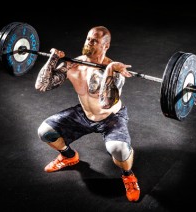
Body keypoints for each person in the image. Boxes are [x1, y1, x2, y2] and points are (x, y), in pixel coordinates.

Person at [35, 26, 140, 202]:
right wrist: (52, 60)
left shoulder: (114, 70)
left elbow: (106, 103)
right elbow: (42, 85)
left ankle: (128, 175)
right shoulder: (73, 64)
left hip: (110, 117)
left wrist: (109, 70)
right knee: (45, 132)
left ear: (106, 46)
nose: (89, 43)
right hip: (84, 113)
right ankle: (69, 157)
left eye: (95, 41)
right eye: (88, 39)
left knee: (119, 150)